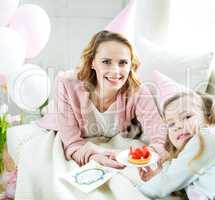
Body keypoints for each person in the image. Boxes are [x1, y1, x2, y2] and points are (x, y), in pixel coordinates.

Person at [9, 30, 168, 200]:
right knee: (52, 177)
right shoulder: (67, 83)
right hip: (63, 132)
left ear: (131, 65)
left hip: (107, 142)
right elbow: (72, 143)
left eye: (123, 62)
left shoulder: (138, 91)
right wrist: (95, 156)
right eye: (106, 62)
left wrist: (149, 159)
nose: (115, 70)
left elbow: (160, 137)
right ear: (93, 62)